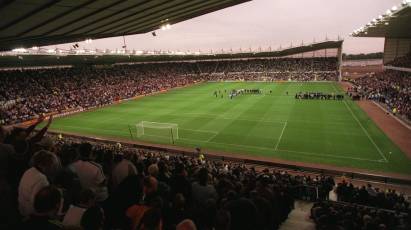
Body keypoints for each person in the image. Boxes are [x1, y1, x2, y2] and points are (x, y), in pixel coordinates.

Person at [18, 150, 60, 218]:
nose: (52, 167)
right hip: (30, 214)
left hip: (22, 208)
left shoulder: (30, 170)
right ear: (45, 165)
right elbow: (38, 205)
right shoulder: (41, 179)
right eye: (51, 164)